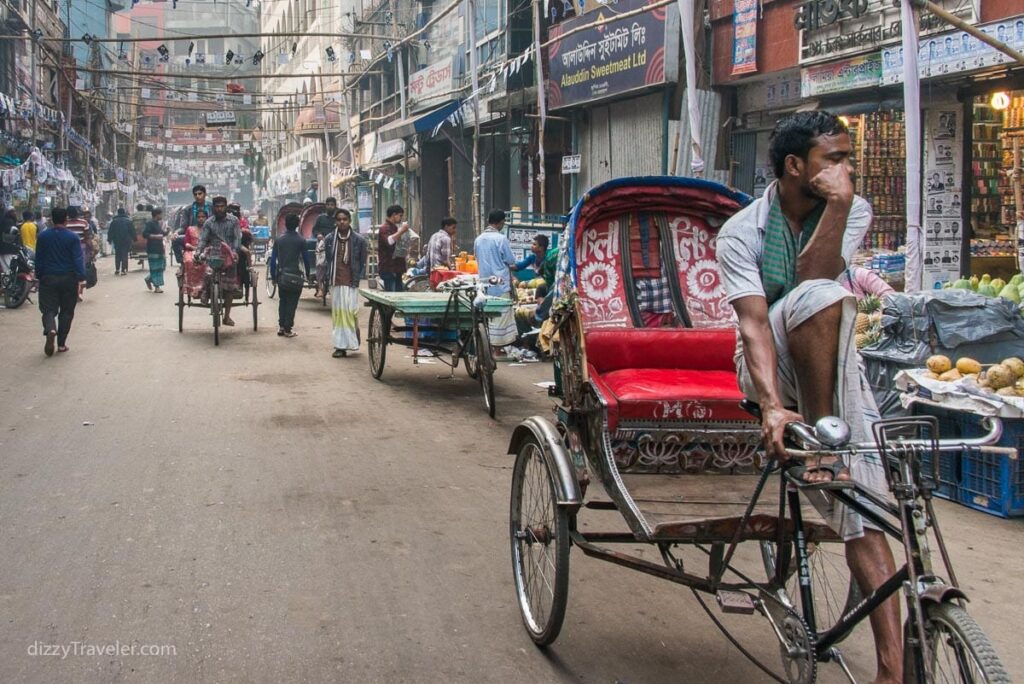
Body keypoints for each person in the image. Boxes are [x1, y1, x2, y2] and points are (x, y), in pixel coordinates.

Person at [716, 111, 900, 684]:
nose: (848, 169)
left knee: (867, 504)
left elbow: (816, 276)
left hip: (829, 359)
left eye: (848, 158)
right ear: (795, 166)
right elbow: (754, 325)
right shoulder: (742, 232)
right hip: (765, 367)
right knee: (812, 297)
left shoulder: (856, 209)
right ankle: (822, 439)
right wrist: (770, 405)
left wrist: (840, 207)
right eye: (835, 160)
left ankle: (893, 668)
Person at [35, 207, 86, 355]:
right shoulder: (72, 237)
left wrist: (39, 275)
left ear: (51, 219)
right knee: (66, 311)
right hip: (68, 278)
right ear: (66, 220)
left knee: (48, 309)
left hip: (48, 278)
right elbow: (78, 259)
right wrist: (81, 277)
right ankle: (62, 344)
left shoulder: (43, 237)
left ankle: (51, 329)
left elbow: (39, 258)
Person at [324, 208, 367, 356]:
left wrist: (356, 278)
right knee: (338, 315)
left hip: (351, 282)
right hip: (335, 281)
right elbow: (327, 260)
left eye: (345, 219)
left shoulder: (359, 240)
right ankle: (340, 346)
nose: (342, 222)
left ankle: (352, 337)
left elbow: (362, 262)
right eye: (339, 219)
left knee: (350, 312)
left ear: (349, 221)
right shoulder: (330, 239)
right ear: (336, 222)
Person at [473, 209, 519, 348]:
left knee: (487, 316)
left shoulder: (478, 239)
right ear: (500, 223)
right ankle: (497, 348)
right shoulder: (501, 238)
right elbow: (511, 260)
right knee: (501, 316)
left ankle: (488, 346)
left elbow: (476, 257)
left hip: (484, 283)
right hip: (500, 283)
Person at [197, 196, 242, 326]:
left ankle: (227, 316)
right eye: (217, 206)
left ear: (225, 207)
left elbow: (236, 239)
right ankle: (205, 291)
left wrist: (234, 252)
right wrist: (198, 252)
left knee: (229, 288)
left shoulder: (234, 221)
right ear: (213, 208)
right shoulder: (208, 223)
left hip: (229, 255)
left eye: (222, 206)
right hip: (213, 254)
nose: (219, 209)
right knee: (207, 272)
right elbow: (203, 240)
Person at [269, 213, 311, 338]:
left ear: (285, 224)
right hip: (296, 276)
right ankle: (288, 328)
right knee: (292, 302)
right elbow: (306, 260)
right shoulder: (301, 240)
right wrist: (307, 274)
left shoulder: (279, 240)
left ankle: (281, 326)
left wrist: (273, 276)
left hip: (282, 276)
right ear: (298, 225)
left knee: (283, 301)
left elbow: (273, 260)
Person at [377, 204, 410, 292]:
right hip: (388, 267)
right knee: (392, 295)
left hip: (397, 268)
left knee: (398, 294)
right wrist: (402, 231)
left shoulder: (394, 227)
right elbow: (389, 241)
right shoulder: (384, 228)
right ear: (394, 215)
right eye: (400, 215)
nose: (401, 218)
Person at [143, 207, 168, 293]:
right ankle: (157, 287)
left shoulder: (157, 223)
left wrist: (167, 232)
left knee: (161, 267)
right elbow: (145, 234)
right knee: (155, 268)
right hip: (152, 249)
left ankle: (148, 279)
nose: (162, 215)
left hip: (160, 248)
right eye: (161, 214)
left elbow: (161, 234)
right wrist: (155, 236)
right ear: (157, 215)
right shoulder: (149, 223)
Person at [107, 208, 135, 275]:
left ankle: (117, 269)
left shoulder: (114, 221)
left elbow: (110, 231)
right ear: (124, 212)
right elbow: (132, 231)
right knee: (124, 254)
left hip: (117, 240)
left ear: (118, 213)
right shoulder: (128, 221)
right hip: (126, 241)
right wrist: (134, 239)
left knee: (118, 254)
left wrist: (109, 239)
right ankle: (123, 270)